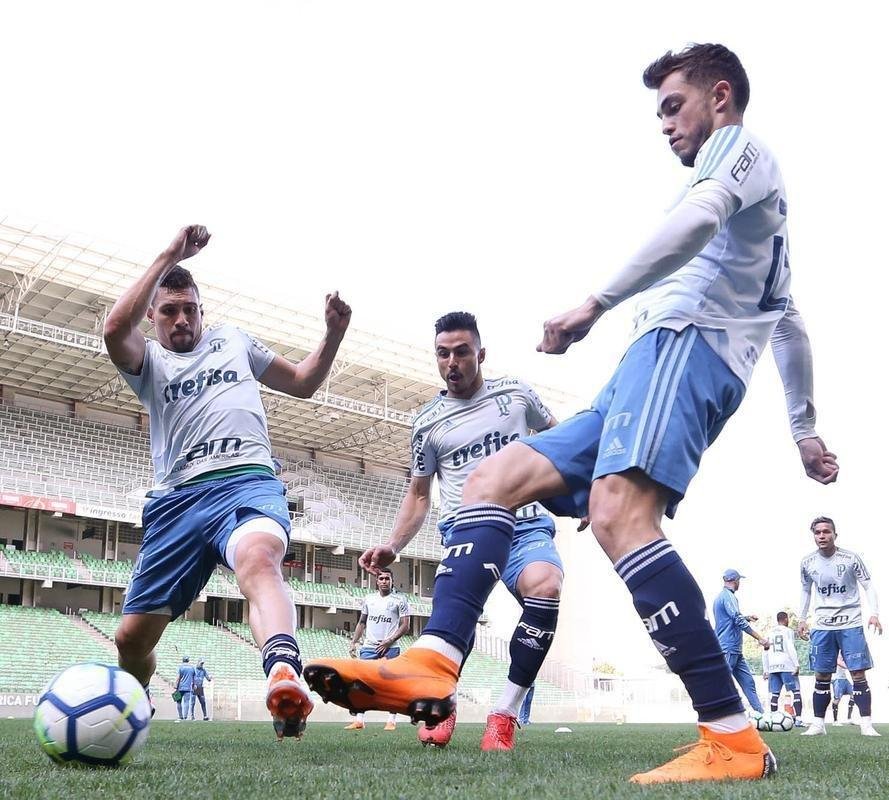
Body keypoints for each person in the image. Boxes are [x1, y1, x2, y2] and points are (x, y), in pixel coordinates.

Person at [304, 43, 839, 783]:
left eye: (672, 106)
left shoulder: (738, 152)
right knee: (494, 477)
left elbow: (695, 224)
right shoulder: (760, 216)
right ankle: (434, 660)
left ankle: (731, 737)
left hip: (685, 352)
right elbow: (789, 323)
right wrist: (804, 428)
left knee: (621, 517)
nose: (664, 126)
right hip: (642, 369)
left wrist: (595, 302)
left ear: (720, 97)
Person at [104, 224, 351, 740]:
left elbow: (302, 382)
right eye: (168, 310)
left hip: (247, 481)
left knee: (259, 559)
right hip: (177, 500)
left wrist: (332, 335)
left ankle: (282, 672)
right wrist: (169, 251)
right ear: (152, 315)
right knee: (130, 641)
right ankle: (138, 693)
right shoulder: (148, 361)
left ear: (201, 310)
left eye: (189, 308)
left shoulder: (233, 340)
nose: (181, 319)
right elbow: (112, 331)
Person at [338, 311, 563, 751]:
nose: (452, 362)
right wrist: (393, 543)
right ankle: (443, 701)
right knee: (455, 618)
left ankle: (504, 715)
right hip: (465, 531)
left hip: (526, 524)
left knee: (547, 587)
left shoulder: (516, 395)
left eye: (462, 352)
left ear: (481, 353)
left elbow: (561, 440)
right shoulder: (427, 423)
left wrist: (586, 492)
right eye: (443, 354)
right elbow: (419, 496)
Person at [798, 516, 881, 737]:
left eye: (826, 531)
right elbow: (806, 591)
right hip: (823, 625)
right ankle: (817, 724)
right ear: (813, 535)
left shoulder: (851, 558)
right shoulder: (807, 563)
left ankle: (866, 724)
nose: (822, 536)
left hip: (850, 623)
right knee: (822, 675)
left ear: (835, 534)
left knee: (857, 673)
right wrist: (802, 618)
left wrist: (874, 613)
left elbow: (868, 585)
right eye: (818, 532)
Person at [344, 568, 410, 732]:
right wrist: (353, 642)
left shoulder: (400, 600)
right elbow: (362, 622)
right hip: (369, 647)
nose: (384, 581)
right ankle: (359, 720)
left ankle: (391, 720)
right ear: (377, 581)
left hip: (390, 648)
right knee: (360, 684)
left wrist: (389, 641)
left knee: (391, 685)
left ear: (392, 580)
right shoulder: (369, 599)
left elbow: (405, 625)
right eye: (381, 578)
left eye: (387, 578)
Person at [712, 569, 768, 714]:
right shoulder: (728, 597)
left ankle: (761, 715)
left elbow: (730, 619)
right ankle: (718, 716)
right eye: (739, 581)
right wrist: (759, 638)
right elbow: (737, 619)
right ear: (735, 581)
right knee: (723, 684)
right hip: (728, 647)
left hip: (735, 650)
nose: (739, 584)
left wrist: (747, 617)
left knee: (748, 682)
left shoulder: (722, 597)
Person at [762, 611, 804, 725]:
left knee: (775, 694)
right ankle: (799, 719)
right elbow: (790, 647)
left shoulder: (769, 632)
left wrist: (765, 669)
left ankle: (773, 720)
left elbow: (765, 651)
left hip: (773, 666)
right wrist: (796, 664)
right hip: (786, 665)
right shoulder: (788, 631)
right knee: (795, 691)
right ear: (785, 619)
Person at [830, 655, 855, 726]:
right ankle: (835, 721)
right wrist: (851, 666)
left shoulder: (844, 651)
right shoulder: (836, 652)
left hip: (844, 678)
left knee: (853, 694)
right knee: (837, 699)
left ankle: (849, 718)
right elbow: (838, 662)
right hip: (837, 679)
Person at [176, 655, 195, 721]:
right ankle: (185, 717)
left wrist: (176, 686)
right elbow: (193, 678)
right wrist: (193, 685)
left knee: (178, 702)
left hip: (180, 687)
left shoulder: (180, 667)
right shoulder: (192, 668)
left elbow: (178, 678)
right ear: (188, 660)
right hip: (188, 688)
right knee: (186, 702)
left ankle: (180, 716)